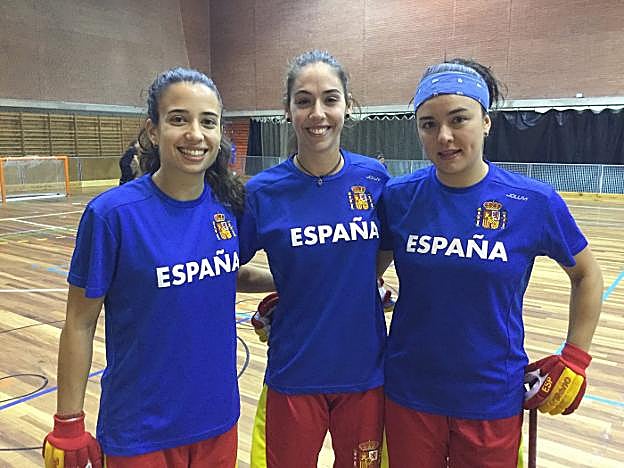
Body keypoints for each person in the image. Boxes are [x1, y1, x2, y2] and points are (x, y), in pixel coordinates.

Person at [43, 67, 273, 468]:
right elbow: (79, 323)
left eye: (208, 122)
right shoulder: (112, 215)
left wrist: (290, 282)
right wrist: (68, 422)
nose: (195, 134)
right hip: (139, 431)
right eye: (179, 119)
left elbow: (220, 274)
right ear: (153, 130)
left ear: (219, 134)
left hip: (217, 421)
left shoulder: (229, 207)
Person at [379, 58, 603, 467]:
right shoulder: (398, 197)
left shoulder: (533, 201)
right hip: (410, 393)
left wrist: (575, 357)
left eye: (458, 119)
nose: (444, 136)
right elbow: (360, 278)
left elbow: (586, 274)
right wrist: (297, 303)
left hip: (492, 396)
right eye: (428, 124)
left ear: (486, 122)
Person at [239, 50, 389, 468]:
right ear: (287, 110)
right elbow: (224, 269)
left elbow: (389, 247)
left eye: (330, 99)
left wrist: (360, 280)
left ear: (347, 106)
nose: (317, 113)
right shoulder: (262, 192)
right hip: (294, 372)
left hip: (364, 373)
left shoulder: (375, 180)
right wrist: (288, 282)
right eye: (304, 101)